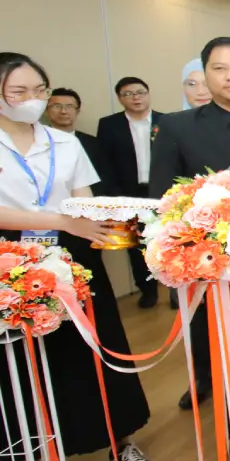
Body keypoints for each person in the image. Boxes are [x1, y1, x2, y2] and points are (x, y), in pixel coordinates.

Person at [0, 52, 160, 461]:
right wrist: (61, 219)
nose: (32, 100)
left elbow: (82, 199)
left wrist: (106, 222)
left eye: (39, 90)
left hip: (71, 252)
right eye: (19, 92)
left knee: (96, 346)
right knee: (23, 362)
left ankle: (119, 443)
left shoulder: (65, 143)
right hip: (9, 257)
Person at [150, 37, 230, 411]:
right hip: (211, 261)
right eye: (219, 69)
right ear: (205, 73)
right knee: (215, 336)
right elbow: (164, 199)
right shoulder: (177, 127)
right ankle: (219, 396)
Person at [96, 76, 162, 308]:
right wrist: (115, 195)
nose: (136, 98)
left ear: (148, 94)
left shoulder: (166, 121)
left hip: (162, 192)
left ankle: (176, 291)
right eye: (128, 94)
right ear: (120, 98)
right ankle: (148, 290)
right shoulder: (109, 125)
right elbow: (105, 163)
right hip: (129, 193)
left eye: (140, 92)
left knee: (168, 239)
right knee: (136, 246)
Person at [45, 87, 111, 195]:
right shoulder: (35, 140)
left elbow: (103, 178)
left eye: (69, 106)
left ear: (77, 111)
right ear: (46, 111)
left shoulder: (93, 143)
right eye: (57, 106)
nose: (63, 111)